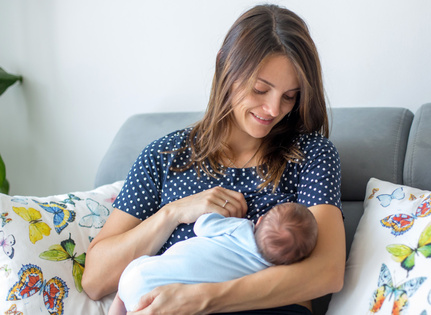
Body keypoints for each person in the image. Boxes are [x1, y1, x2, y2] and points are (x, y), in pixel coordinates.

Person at [83, 4, 345, 314]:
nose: (274, 109)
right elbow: (95, 279)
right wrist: (172, 213)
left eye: (290, 96)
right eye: (261, 89)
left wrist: (204, 298)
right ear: (225, 65)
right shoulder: (165, 157)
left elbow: (327, 272)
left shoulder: (310, 154)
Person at [108, 202, 318, 314]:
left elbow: (202, 225)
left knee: (122, 292)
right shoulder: (263, 273)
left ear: (260, 219)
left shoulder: (240, 227)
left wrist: (225, 217)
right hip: (162, 300)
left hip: (140, 274)